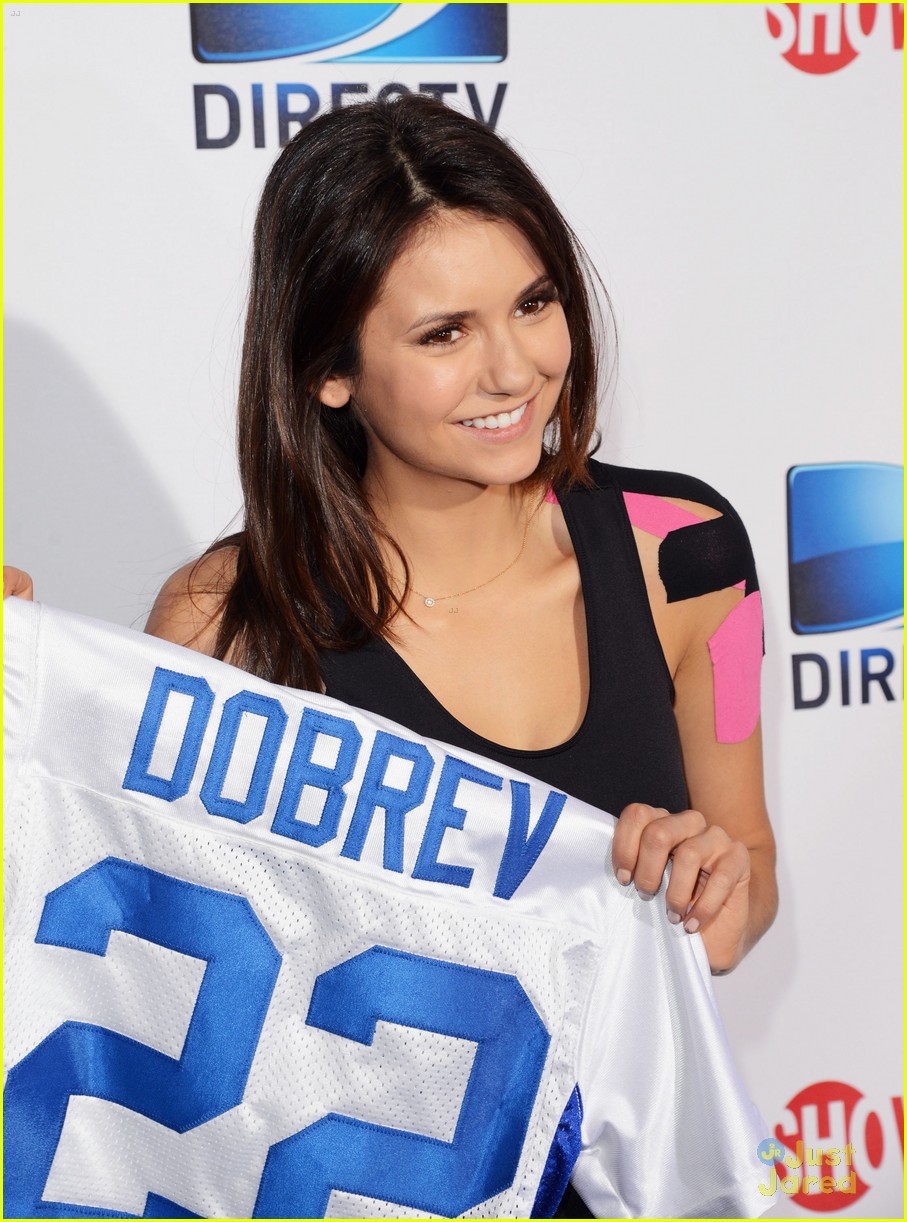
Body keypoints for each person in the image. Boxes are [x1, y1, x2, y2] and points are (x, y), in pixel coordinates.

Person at [4, 93, 776, 1217]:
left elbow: (743, 881)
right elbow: (136, 973)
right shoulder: (225, 620)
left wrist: (710, 885)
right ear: (328, 370)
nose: (513, 371)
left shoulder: (692, 557)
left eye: (534, 302)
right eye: (442, 334)